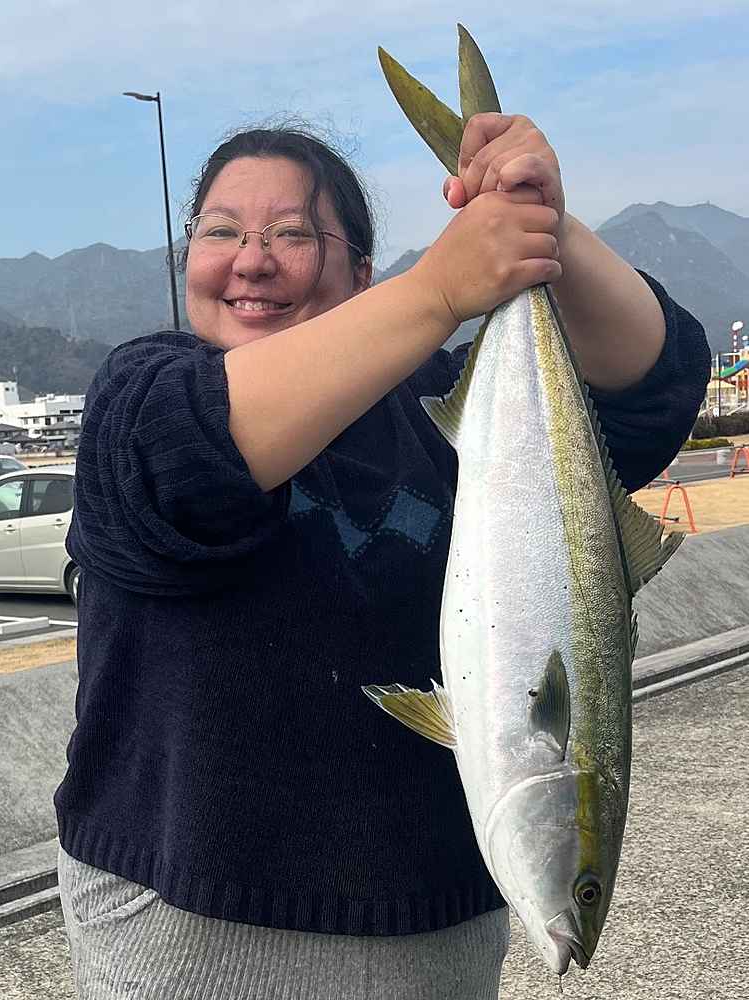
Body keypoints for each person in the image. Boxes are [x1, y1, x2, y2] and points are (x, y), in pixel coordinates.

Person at [54, 115, 710, 1000]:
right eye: (220, 231)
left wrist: (543, 219)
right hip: (179, 940)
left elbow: (655, 387)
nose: (251, 261)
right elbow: (186, 460)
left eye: (293, 234)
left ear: (361, 273)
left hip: (432, 944)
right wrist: (438, 289)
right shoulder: (140, 395)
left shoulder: (444, 409)